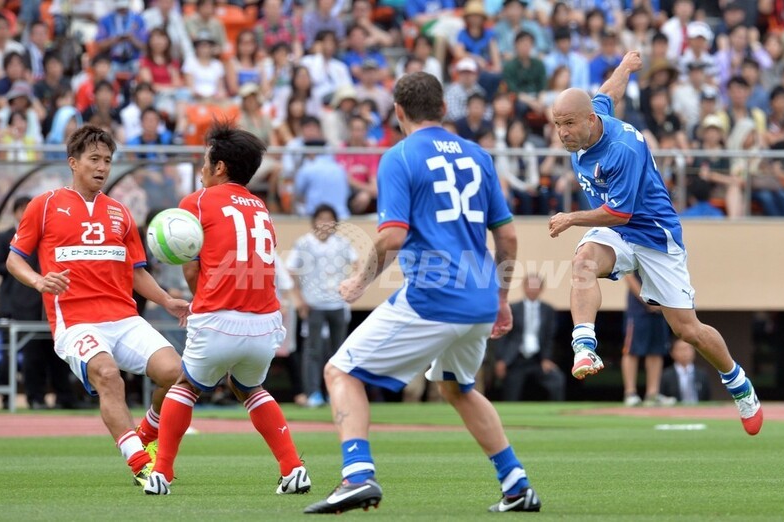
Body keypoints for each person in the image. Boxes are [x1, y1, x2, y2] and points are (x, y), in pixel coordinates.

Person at [304, 71, 541, 514]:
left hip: (435, 295)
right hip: (479, 297)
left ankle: (357, 475)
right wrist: (501, 297)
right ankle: (516, 484)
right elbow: (507, 238)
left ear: (398, 111)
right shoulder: (478, 155)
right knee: (457, 388)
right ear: (444, 108)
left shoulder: (399, 156)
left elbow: (392, 237)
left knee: (340, 372)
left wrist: (358, 281)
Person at [547, 51, 763, 436]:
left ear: (589, 120)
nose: (562, 133)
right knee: (582, 261)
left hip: (653, 235)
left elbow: (620, 214)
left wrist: (571, 218)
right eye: (557, 124)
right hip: (618, 232)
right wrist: (626, 67)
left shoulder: (622, 149)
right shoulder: (593, 117)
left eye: (568, 124)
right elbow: (609, 91)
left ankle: (738, 383)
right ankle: (584, 347)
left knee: (688, 330)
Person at [6, 125, 188, 485]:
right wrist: (39, 281)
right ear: (73, 163)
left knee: (177, 374)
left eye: (107, 160)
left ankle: (147, 433)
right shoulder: (44, 205)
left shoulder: (121, 212)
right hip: (76, 322)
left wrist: (166, 300)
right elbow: (15, 259)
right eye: (94, 159)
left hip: (124, 319)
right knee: (107, 375)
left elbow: (136, 272)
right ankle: (140, 464)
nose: (102, 167)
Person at [143, 123, 310, 496]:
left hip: (219, 316)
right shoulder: (260, 206)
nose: (202, 168)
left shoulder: (198, 201)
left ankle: (161, 473)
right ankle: (293, 468)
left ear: (220, 167)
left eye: (206, 161)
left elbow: (191, 269)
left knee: (185, 386)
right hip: (266, 321)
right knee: (249, 387)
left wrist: (202, 303)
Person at [0, 196, 75, 410]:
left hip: (45, 302)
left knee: (55, 351)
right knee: (26, 353)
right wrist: (21, 272)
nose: (25, 213)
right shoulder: (5, 237)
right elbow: (2, 264)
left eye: (28, 209)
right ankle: (31, 398)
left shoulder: (45, 234)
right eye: (21, 209)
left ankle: (64, 396)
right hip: (17, 304)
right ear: (14, 212)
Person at [285, 205, 356, 409]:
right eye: (321, 218)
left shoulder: (342, 243)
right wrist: (299, 299)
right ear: (314, 221)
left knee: (339, 351)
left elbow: (358, 264)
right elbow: (291, 270)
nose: (325, 223)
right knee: (313, 350)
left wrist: (351, 287)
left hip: (337, 303)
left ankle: (337, 393)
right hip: (313, 304)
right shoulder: (304, 243)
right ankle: (313, 393)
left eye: (329, 219)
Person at [493, 273, 565, 402]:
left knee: (557, 379)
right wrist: (501, 360)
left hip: (538, 360)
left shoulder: (548, 310)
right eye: (530, 285)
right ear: (524, 287)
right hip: (516, 359)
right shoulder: (513, 308)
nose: (532, 289)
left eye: (536, 286)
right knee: (510, 393)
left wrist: (546, 358)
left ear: (541, 288)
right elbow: (503, 336)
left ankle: (558, 411)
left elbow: (549, 337)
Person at [620, 273, 675, 407]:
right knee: (632, 350)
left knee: (656, 351)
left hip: (660, 308)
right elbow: (628, 276)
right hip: (638, 310)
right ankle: (630, 393)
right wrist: (646, 299)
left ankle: (652, 394)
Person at [660, 338, 711, 404]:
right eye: (681, 349)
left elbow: (707, 398)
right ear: (672, 353)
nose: (685, 353)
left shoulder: (702, 374)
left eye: (688, 349)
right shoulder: (666, 375)